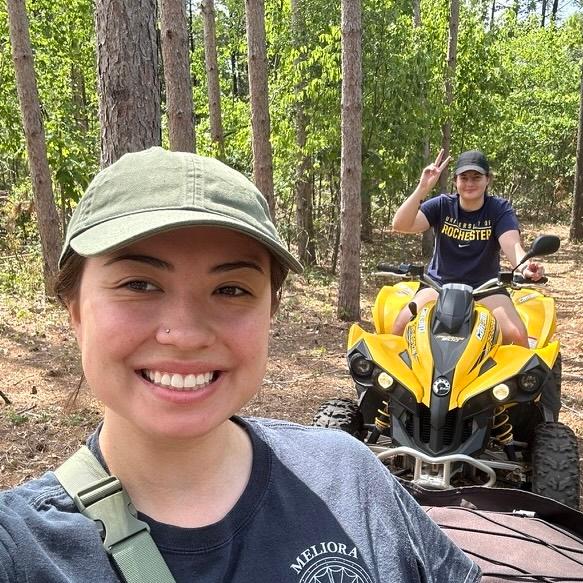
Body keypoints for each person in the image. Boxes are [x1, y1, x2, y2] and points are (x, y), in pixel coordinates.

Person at [0, 147, 481, 583]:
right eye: (139, 285)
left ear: (269, 312)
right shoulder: (24, 548)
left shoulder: (349, 476)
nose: (185, 335)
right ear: (75, 310)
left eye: (231, 290)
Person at [391, 149, 544, 347]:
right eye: (464, 178)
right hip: (439, 285)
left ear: (487, 179)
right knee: (400, 326)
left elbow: (512, 245)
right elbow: (400, 225)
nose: (470, 183)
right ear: (455, 181)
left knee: (517, 336)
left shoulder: (498, 209)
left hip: (485, 287)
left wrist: (525, 267)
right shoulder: (442, 205)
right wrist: (422, 189)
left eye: (476, 177)